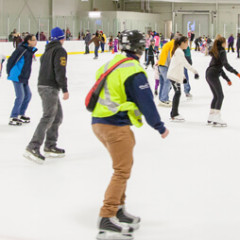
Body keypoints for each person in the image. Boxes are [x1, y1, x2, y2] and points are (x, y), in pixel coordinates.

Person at [91, 29, 169, 240]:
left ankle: (118, 208)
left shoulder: (111, 63)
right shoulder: (133, 70)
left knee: (122, 168)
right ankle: (107, 216)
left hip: (99, 122)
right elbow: (146, 102)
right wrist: (159, 126)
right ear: (140, 47)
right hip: (115, 124)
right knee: (121, 171)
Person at [24, 27, 69, 163]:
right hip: (50, 87)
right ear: (62, 38)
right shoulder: (60, 50)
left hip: (44, 85)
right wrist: (65, 89)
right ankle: (33, 146)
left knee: (57, 116)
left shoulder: (47, 51)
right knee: (49, 116)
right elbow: (60, 70)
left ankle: (50, 145)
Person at [206, 37, 240, 127]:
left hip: (209, 74)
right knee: (220, 96)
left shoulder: (217, 51)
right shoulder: (222, 51)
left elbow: (219, 68)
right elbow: (226, 65)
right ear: (223, 43)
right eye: (225, 42)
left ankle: (211, 116)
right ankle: (216, 117)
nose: (227, 44)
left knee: (216, 96)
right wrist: (237, 73)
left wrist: (227, 79)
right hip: (213, 74)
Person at [7, 34, 37, 126]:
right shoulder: (22, 50)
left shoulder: (29, 51)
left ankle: (21, 114)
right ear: (28, 41)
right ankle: (13, 116)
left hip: (24, 77)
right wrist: (10, 72)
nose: (36, 41)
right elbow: (11, 61)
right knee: (20, 96)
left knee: (28, 95)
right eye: (34, 40)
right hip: (17, 76)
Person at [167, 36, 199, 122]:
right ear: (182, 43)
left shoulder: (179, 51)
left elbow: (179, 66)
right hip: (173, 76)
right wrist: (195, 71)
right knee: (177, 93)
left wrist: (183, 77)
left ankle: (174, 113)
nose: (187, 45)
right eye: (186, 43)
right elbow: (185, 64)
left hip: (175, 75)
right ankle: (174, 114)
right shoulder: (179, 52)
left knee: (177, 93)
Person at [158, 36, 175, 107]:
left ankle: (161, 98)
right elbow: (171, 57)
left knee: (163, 82)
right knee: (167, 81)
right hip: (165, 65)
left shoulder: (168, 44)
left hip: (161, 64)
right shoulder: (173, 44)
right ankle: (164, 99)